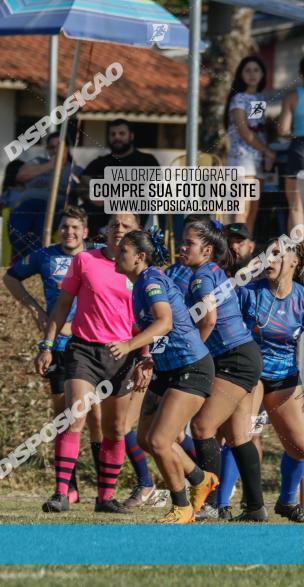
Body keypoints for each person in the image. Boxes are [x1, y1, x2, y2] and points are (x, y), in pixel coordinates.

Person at [36, 214, 145, 514]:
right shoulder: (84, 261)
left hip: (121, 354)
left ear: (136, 234)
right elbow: (61, 304)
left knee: (115, 430)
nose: (118, 230)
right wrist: (47, 344)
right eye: (113, 225)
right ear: (105, 232)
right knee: (75, 417)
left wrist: (145, 356)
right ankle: (61, 493)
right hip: (83, 350)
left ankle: (105, 497)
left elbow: (147, 320)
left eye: (126, 227)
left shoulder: (142, 271)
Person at [107, 228, 215, 524]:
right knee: (144, 437)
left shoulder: (151, 280)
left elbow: (165, 322)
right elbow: (161, 328)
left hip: (191, 367)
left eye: (123, 251)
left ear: (140, 257)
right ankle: (200, 478)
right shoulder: (140, 282)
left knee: (159, 440)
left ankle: (182, 507)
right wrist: (148, 357)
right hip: (167, 368)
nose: (117, 255)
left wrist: (130, 345)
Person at [3, 206, 102, 505]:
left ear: (85, 232)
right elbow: (10, 277)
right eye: (64, 227)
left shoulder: (98, 256)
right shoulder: (44, 256)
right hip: (58, 345)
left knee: (97, 419)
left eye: (75, 227)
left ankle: (105, 491)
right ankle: (68, 489)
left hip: (93, 345)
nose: (69, 232)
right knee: (64, 417)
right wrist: (35, 309)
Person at [178, 220, 267, 521]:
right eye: (183, 241)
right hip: (243, 355)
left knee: (203, 427)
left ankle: (212, 504)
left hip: (235, 359)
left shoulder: (202, 275)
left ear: (207, 249)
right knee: (239, 436)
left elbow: (209, 320)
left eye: (188, 243)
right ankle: (255, 508)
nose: (182, 247)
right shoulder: (213, 271)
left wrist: (191, 356)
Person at [238, 238, 304, 523]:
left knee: (300, 447)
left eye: (277, 255)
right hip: (251, 377)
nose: (269, 261)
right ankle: (250, 506)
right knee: (246, 435)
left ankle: (290, 503)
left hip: (285, 379)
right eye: (267, 255)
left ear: (293, 262)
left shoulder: (301, 297)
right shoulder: (249, 293)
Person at [75, 120, 160, 238]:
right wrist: (91, 196)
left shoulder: (147, 161)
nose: (117, 137)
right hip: (100, 215)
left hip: (134, 211)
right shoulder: (99, 163)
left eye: (121, 133)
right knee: (79, 213)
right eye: (113, 134)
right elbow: (82, 184)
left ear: (131, 136)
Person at [9, 133, 82, 259]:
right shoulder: (38, 162)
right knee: (16, 228)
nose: (55, 150)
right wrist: (50, 165)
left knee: (40, 230)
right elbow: (21, 175)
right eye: (51, 147)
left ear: (67, 148)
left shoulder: (75, 170)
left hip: (55, 206)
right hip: (29, 204)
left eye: (58, 147)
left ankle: (36, 260)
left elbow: (83, 190)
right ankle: (24, 259)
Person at [226, 56, 275, 234]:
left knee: (253, 211)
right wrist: (267, 151)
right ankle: (234, 255)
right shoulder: (238, 98)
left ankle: (245, 252)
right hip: (241, 159)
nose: (252, 74)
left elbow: (258, 129)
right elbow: (244, 131)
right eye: (248, 70)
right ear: (241, 74)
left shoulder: (259, 98)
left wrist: (265, 153)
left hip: (256, 160)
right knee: (240, 209)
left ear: (263, 74)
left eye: (256, 70)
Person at [279, 56, 304, 232]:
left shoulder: (293, 96)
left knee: (296, 207)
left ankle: (298, 254)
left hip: (299, 149)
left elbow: (283, 130)